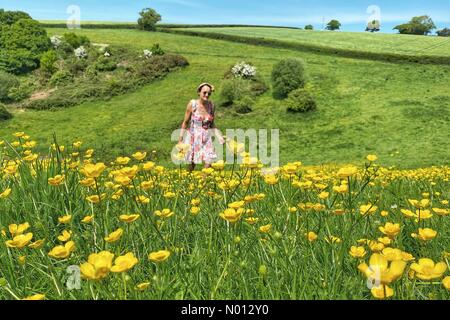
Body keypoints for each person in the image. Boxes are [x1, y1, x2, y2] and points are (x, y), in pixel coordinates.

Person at [178, 83, 225, 171]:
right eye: (204, 93)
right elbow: (185, 122)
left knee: (209, 162)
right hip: (194, 138)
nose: (207, 95)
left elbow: (212, 124)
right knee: (192, 164)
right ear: (199, 92)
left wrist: (219, 136)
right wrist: (180, 141)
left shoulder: (212, 105)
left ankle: (202, 182)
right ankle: (188, 181)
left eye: (209, 93)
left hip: (207, 138)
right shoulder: (192, 104)